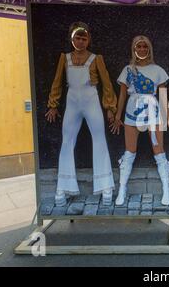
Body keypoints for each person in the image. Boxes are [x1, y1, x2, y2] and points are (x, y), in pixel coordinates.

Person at [45, 21, 118, 207]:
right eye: (77, 37)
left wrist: (110, 107)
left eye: (84, 38)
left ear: (89, 39)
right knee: (67, 141)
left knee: (100, 139)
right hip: (72, 103)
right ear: (71, 39)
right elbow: (57, 82)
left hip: (91, 101)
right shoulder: (65, 58)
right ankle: (63, 186)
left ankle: (105, 186)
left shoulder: (96, 58)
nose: (81, 41)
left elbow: (107, 83)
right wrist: (53, 104)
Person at [113, 35, 169, 206]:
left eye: (145, 47)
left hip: (153, 112)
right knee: (129, 151)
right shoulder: (128, 70)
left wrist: (168, 117)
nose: (142, 50)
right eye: (139, 47)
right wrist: (117, 115)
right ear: (134, 49)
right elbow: (123, 94)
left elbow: (162, 96)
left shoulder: (158, 70)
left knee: (159, 151)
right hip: (132, 111)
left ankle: (166, 189)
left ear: (149, 49)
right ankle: (122, 189)